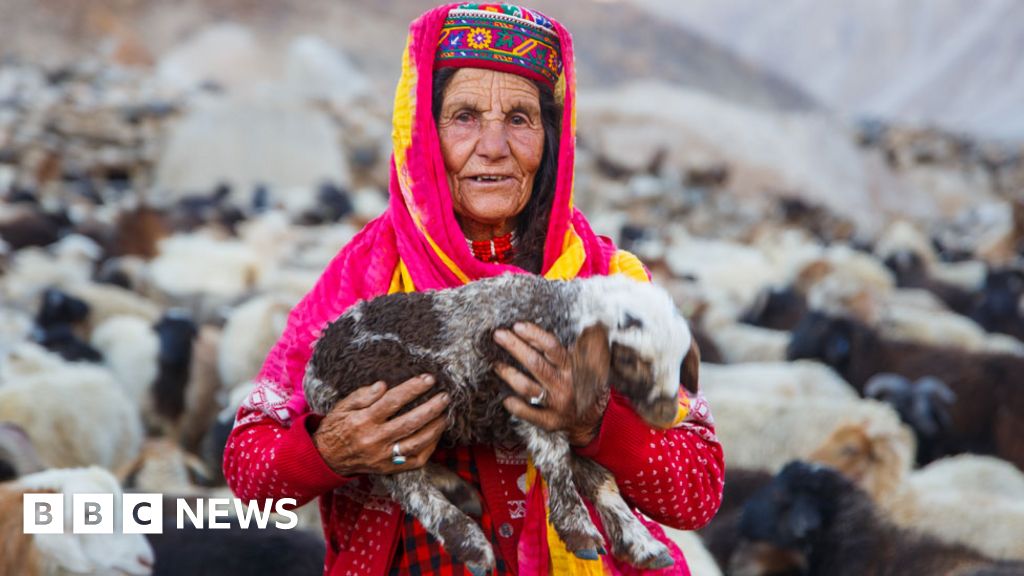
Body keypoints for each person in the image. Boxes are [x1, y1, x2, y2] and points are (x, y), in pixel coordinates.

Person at [222, 3, 724, 575]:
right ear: (426, 133)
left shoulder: (609, 282)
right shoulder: (364, 276)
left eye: (519, 118)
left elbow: (698, 490)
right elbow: (249, 475)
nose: (493, 145)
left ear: (551, 141)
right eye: (464, 116)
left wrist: (593, 424)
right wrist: (328, 450)